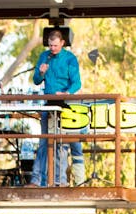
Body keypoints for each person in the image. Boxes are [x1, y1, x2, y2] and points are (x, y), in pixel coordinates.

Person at [28, 29, 83, 187]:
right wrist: (40, 72)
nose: (53, 48)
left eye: (56, 46)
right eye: (51, 45)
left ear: (62, 43)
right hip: (49, 103)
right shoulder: (44, 56)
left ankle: (60, 180)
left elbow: (77, 83)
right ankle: (36, 180)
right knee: (44, 142)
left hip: (66, 104)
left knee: (62, 143)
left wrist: (66, 92)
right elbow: (36, 81)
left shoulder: (70, 59)